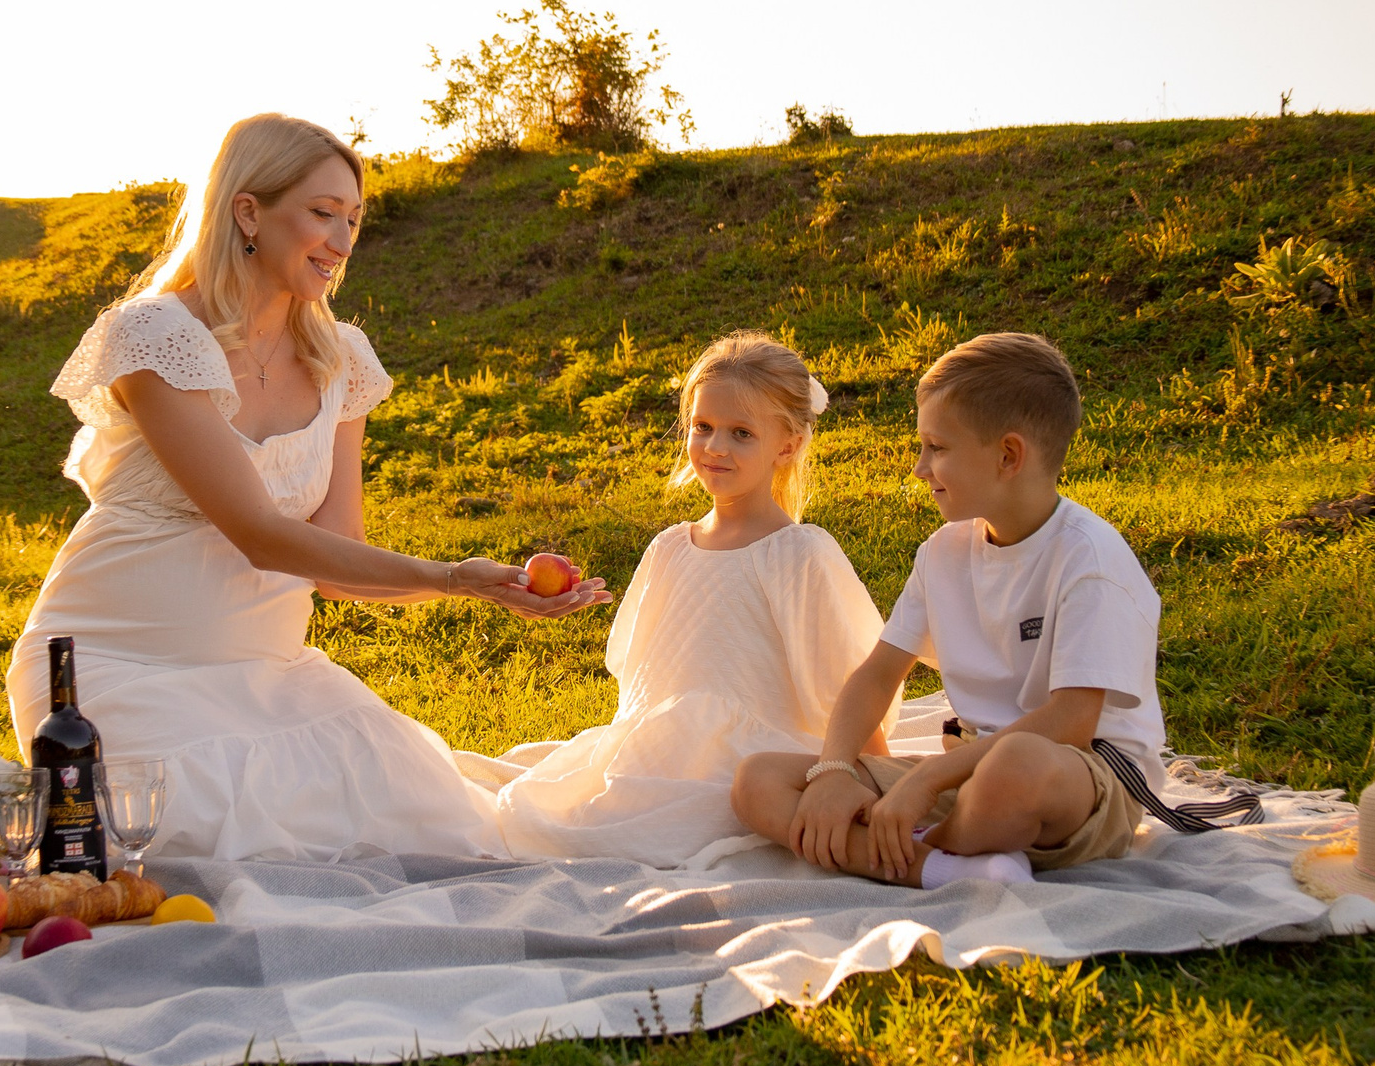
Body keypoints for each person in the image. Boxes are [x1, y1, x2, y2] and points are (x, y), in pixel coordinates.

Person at [9, 114, 608, 861]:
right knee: (195, 842)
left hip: (268, 676)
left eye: (353, 219)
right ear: (248, 210)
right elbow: (260, 534)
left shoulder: (341, 360)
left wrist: (485, 586)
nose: (343, 241)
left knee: (439, 830)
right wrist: (455, 578)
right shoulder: (156, 336)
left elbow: (333, 560)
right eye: (323, 214)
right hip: (117, 667)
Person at [730, 332, 1162, 888]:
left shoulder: (1089, 558)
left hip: (1078, 776)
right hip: (969, 770)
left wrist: (926, 780)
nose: (919, 467)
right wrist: (835, 769)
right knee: (758, 780)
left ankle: (905, 846)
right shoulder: (944, 552)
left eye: (937, 447)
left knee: (1012, 769)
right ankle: (942, 866)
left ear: (1008, 456)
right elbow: (877, 674)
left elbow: (1071, 722)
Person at [474, 332, 893, 868]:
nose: (716, 448)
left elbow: (843, 676)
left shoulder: (797, 553)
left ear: (785, 446)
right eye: (703, 428)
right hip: (667, 754)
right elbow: (643, 679)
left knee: (704, 813)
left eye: (742, 434)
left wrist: (882, 776)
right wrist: (638, 751)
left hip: (757, 755)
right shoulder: (671, 546)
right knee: (569, 818)